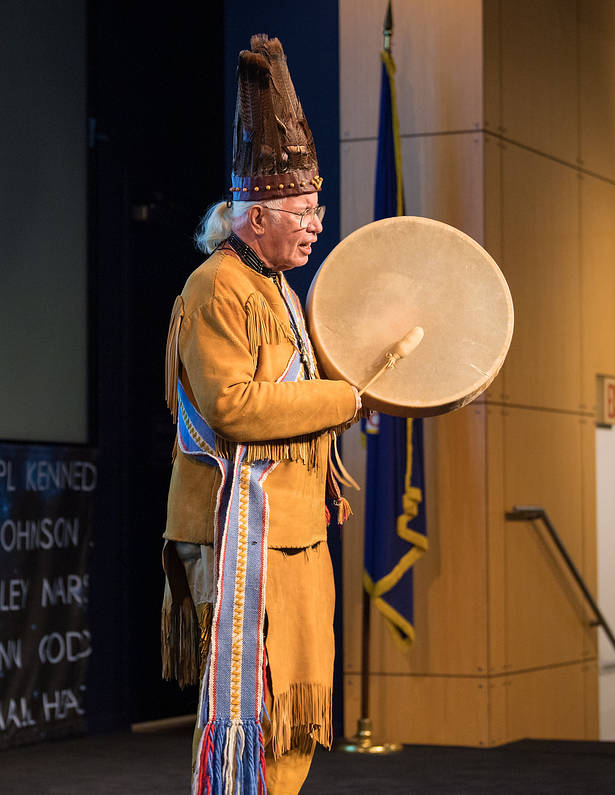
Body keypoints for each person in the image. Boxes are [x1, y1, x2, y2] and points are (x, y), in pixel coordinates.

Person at [160, 34, 360, 794]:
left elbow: (290, 398)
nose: (315, 224)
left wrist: (325, 483)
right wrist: (346, 398)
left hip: (294, 532)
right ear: (255, 216)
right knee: (259, 711)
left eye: (316, 209)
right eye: (302, 211)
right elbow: (235, 409)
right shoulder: (216, 288)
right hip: (245, 539)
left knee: (293, 718)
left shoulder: (276, 287)